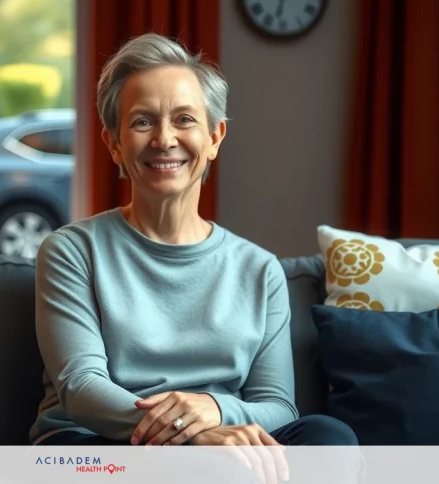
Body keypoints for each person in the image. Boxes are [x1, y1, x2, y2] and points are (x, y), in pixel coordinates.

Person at [28, 33, 362, 482]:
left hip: (218, 444)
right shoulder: (71, 251)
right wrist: (188, 438)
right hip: (92, 449)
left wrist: (215, 411)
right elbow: (81, 389)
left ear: (214, 137)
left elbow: (278, 406)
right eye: (142, 122)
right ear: (114, 144)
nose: (165, 139)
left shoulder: (260, 270)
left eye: (184, 119)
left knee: (328, 438)